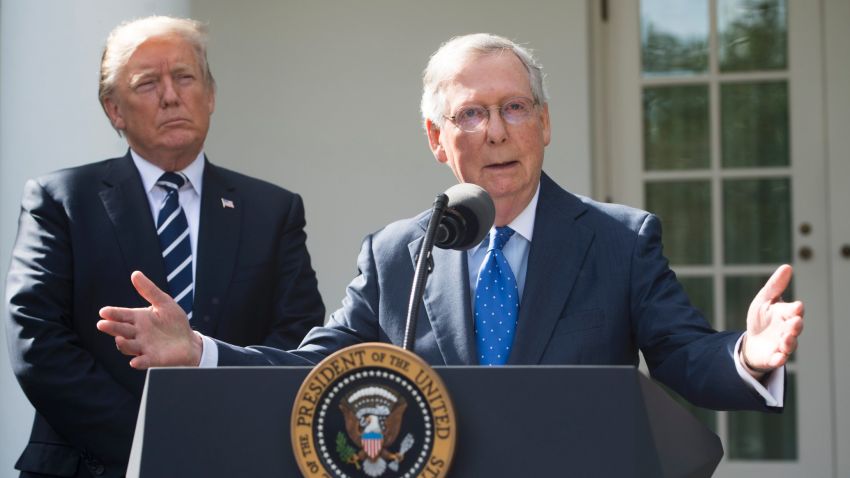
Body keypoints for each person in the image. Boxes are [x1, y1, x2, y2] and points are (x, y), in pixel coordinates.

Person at [98, 33, 802, 414]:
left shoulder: (618, 239)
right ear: (437, 140)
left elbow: (682, 354)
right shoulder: (399, 251)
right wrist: (201, 352)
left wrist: (748, 355)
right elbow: (318, 365)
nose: (496, 131)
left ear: (545, 124)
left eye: (514, 108)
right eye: (470, 114)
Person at [5, 16, 325, 478]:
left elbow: (298, 337)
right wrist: (154, 435)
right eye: (148, 83)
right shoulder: (61, 200)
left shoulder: (273, 210)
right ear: (114, 109)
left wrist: (222, 432)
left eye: (185, 77)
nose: (171, 96)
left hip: (235, 457)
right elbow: (38, 341)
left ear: (211, 95)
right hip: (93, 463)